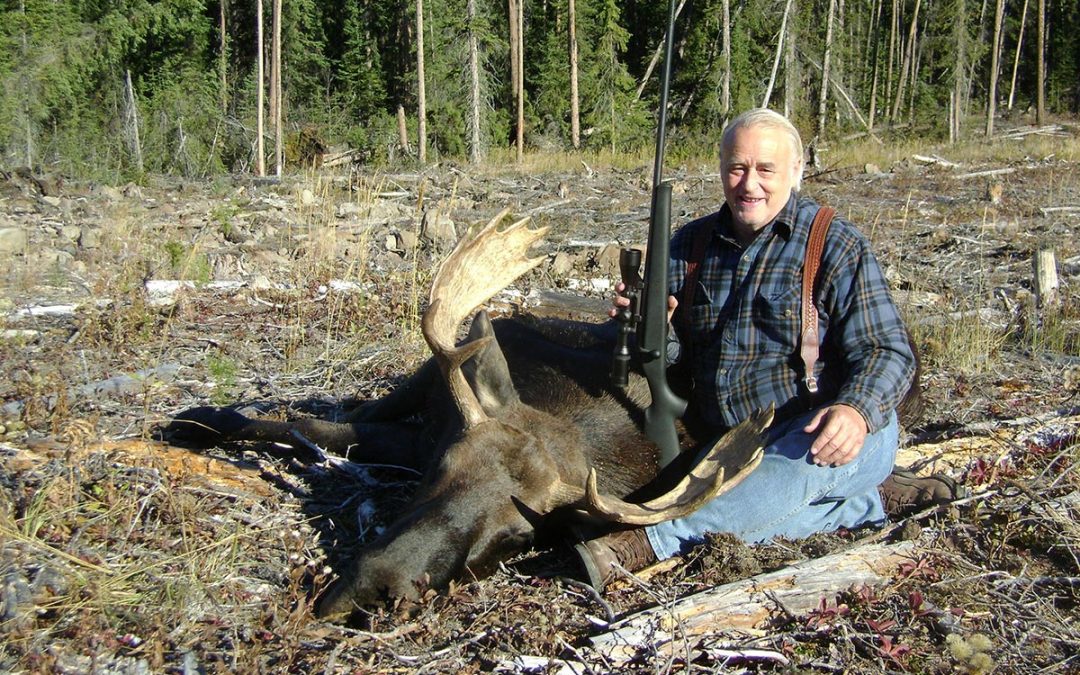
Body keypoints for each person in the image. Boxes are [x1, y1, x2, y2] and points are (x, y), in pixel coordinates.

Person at [574, 108, 963, 590]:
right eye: (737, 168)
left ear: (797, 172)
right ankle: (868, 503)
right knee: (772, 493)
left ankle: (645, 544)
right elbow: (656, 346)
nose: (749, 184)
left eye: (765, 170)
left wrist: (856, 411)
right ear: (721, 170)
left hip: (824, 432)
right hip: (730, 444)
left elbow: (889, 350)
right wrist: (639, 320)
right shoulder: (688, 247)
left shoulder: (835, 245)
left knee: (797, 464)